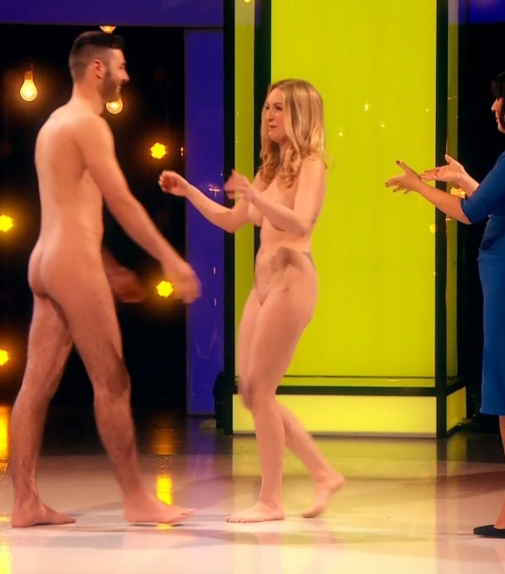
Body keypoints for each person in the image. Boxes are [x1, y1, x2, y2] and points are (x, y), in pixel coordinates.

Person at [10, 31, 202, 528]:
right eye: (121, 66)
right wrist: (170, 259)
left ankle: (25, 503)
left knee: (35, 385)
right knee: (113, 382)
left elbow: (74, 208)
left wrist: (112, 268)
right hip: (72, 263)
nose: (126, 75)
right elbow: (121, 202)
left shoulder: (53, 124)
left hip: (46, 260)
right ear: (98, 69)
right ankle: (137, 498)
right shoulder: (88, 124)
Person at [384, 63, 505, 538]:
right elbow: (497, 202)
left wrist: (419, 187)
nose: (493, 106)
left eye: (500, 98)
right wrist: (466, 177)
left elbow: (469, 213)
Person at [159, 79, 344, 523]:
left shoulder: (312, 165)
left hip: (292, 282)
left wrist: (257, 196)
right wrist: (189, 191)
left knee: (261, 391)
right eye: (267, 108)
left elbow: (301, 223)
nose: (269, 116)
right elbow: (231, 221)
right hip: (262, 288)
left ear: (300, 114)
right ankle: (323, 473)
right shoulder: (268, 170)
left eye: (279, 108)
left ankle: (272, 500)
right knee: (252, 393)